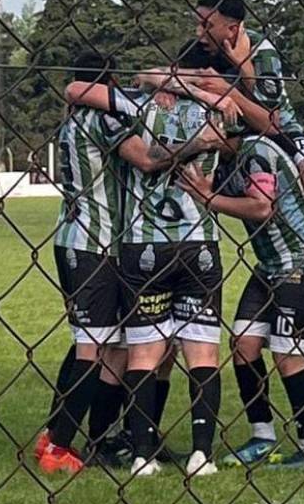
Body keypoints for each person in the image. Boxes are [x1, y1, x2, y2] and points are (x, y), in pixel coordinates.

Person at [65, 56, 230, 479]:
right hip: (199, 240)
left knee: (142, 350)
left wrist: (159, 80)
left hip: (144, 243)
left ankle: (141, 454)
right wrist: (207, 97)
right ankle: (202, 454)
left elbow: (77, 90)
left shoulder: (133, 106)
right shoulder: (216, 109)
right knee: (202, 350)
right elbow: (235, 142)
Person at [39, 52, 192, 475]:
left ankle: (64, 436)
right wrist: (196, 145)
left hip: (79, 239)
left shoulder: (73, 120)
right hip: (95, 243)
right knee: (96, 346)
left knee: (105, 343)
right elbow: (146, 158)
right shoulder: (102, 119)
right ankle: (60, 445)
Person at [189, 0, 304, 305]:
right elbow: (171, 74)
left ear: (232, 28)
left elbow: (272, 120)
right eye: (196, 24)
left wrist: (234, 84)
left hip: (281, 131)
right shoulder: (200, 49)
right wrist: (167, 88)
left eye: (206, 24)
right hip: (236, 137)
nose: (199, 33)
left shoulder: (262, 49)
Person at [177, 129, 304, 468]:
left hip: (302, 262)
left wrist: (209, 198)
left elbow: (263, 207)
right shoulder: (224, 159)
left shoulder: (257, 151)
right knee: (243, 346)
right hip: (270, 266)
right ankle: (262, 436)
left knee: (287, 355)